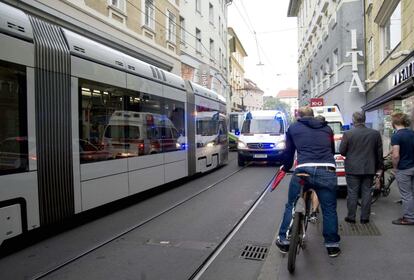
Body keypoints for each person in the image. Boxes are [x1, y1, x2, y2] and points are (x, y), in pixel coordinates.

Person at [275, 106, 341, 258]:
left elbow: (289, 152)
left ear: (299, 116)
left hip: (303, 170)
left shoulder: (293, 128)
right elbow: (331, 150)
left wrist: (285, 168)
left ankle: (284, 239)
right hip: (327, 170)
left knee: (291, 204)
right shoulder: (327, 129)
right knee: (329, 209)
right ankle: (332, 246)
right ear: (313, 115)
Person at [339, 111, 383, 224]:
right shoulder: (375, 133)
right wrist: (379, 168)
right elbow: (379, 153)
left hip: (352, 168)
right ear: (364, 119)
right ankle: (365, 218)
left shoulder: (348, 133)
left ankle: (351, 217)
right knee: (367, 192)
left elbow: (342, 152)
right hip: (369, 167)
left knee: (352, 192)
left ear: (353, 120)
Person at [390, 112, 414, 225]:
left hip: (404, 168)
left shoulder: (396, 136)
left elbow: (396, 155)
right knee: (412, 193)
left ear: (394, 123)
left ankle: (409, 218)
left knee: (406, 194)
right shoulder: (412, 133)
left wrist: (395, 168)